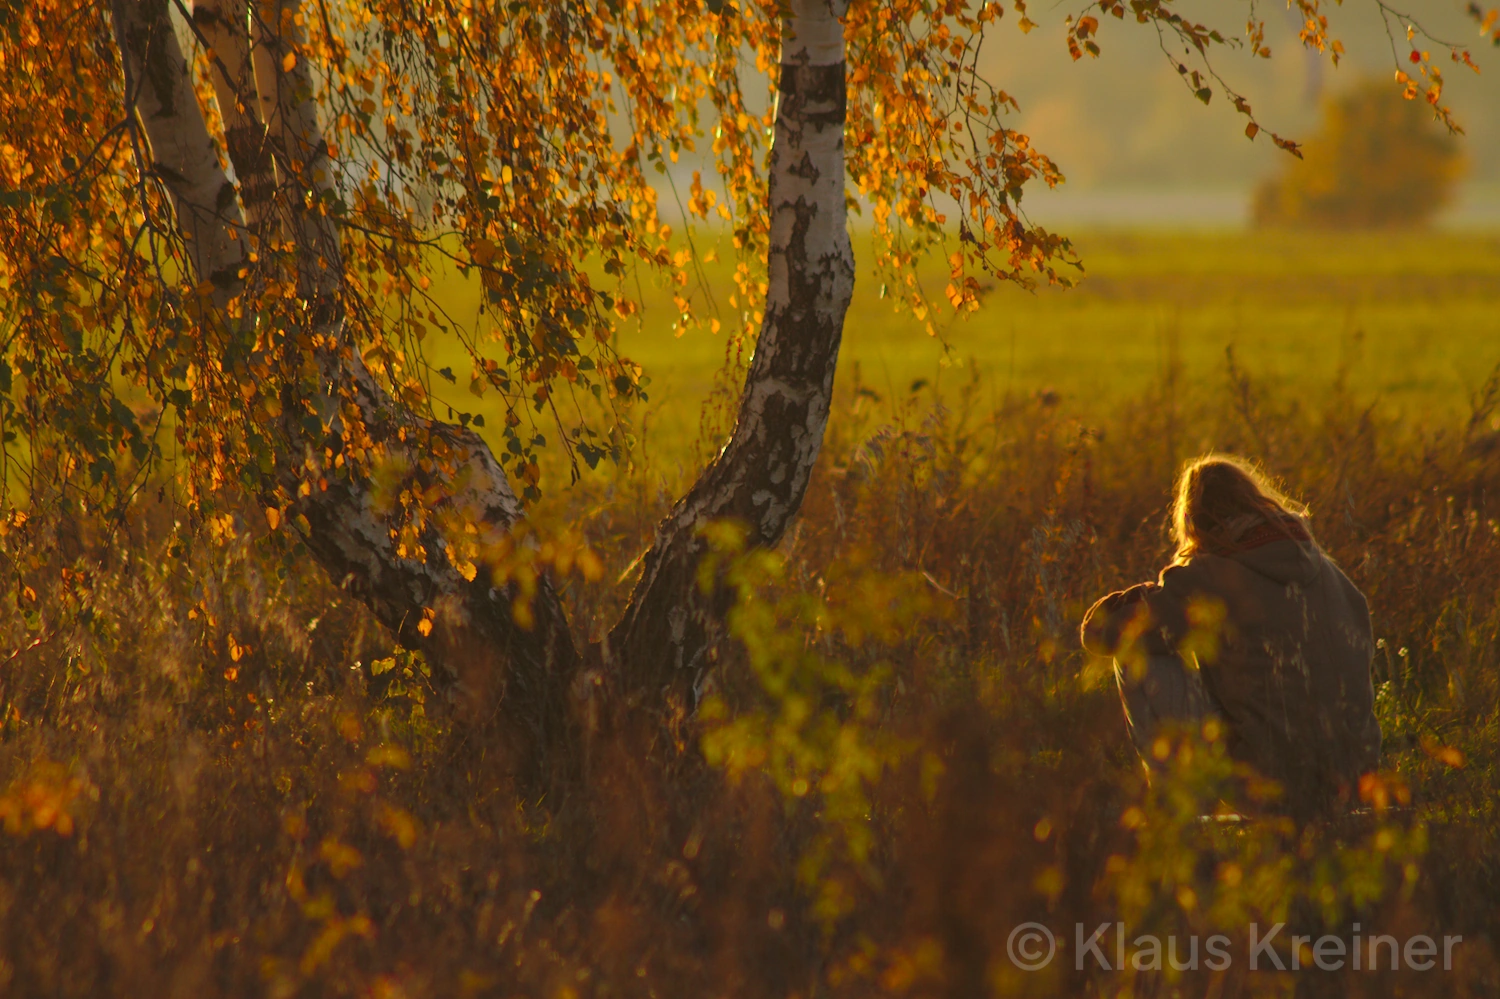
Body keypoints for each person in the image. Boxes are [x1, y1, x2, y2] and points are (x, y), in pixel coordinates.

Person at [1081, 454, 1381, 818]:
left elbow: (1102, 634)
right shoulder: (1334, 577)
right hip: (1355, 785)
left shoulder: (1215, 575)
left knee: (1136, 654)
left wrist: (1143, 595)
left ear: (1194, 522)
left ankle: (1181, 824)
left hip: (1272, 788)